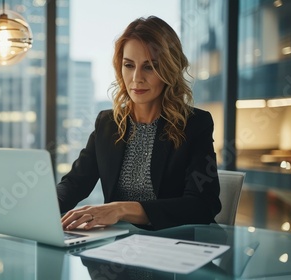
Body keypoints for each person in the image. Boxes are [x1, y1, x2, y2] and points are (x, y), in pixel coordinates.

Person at [57, 16, 221, 231]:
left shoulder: (194, 124)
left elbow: (202, 205)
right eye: (128, 65)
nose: (136, 78)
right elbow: (74, 184)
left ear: (169, 70)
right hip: (114, 247)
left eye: (150, 67)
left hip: (172, 248)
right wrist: (36, 211)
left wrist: (121, 209)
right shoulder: (108, 123)